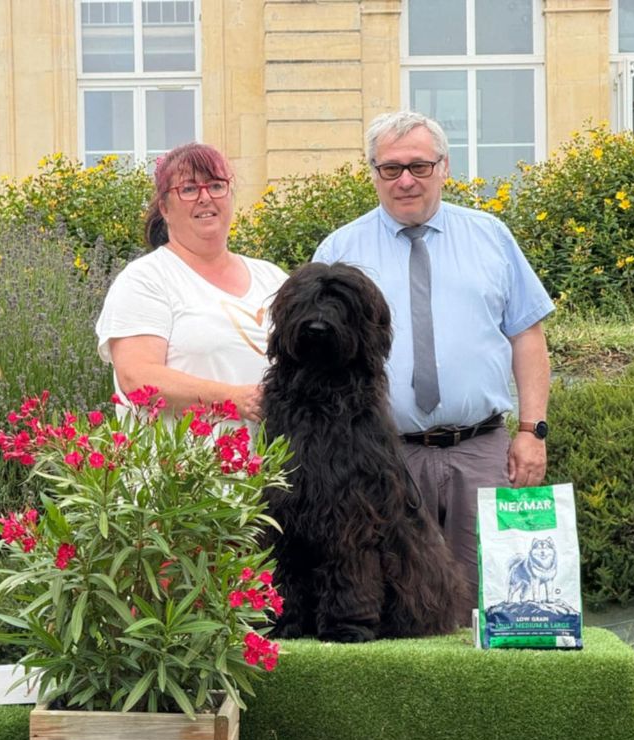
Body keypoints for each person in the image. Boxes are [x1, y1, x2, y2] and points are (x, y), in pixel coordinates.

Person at [313, 110, 555, 620]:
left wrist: (533, 431)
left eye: (419, 167)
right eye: (390, 168)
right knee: (398, 604)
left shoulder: (491, 237)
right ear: (373, 172)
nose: (405, 180)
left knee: (496, 601)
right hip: (381, 454)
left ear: (444, 168)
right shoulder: (340, 250)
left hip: (481, 452)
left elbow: (527, 337)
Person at [96, 143, 288, 422]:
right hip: (182, 465)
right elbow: (136, 378)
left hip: (271, 464)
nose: (205, 197)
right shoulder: (145, 280)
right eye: (188, 189)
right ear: (164, 207)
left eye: (216, 186)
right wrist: (234, 399)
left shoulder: (272, 278)